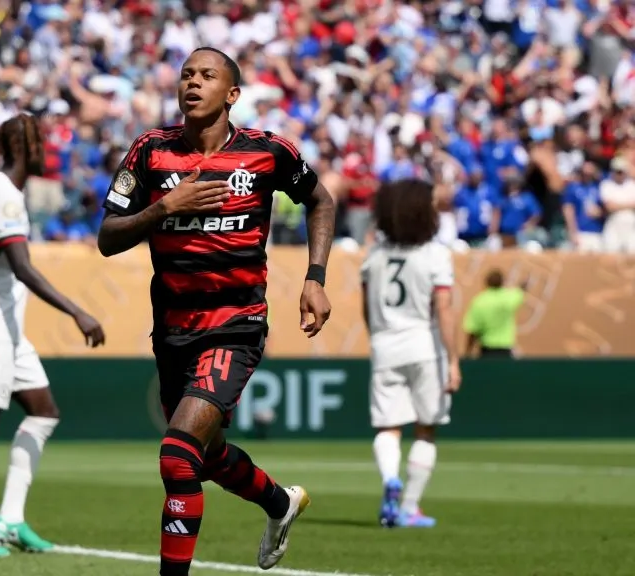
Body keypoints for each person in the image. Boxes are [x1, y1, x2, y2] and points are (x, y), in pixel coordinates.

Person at [97, 47, 336, 574]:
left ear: (231, 95)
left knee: (177, 455)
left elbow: (322, 200)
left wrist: (314, 279)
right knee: (204, 457)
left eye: (207, 75)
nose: (193, 82)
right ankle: (279, 502)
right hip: (173, 328)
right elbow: (107, 237)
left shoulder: (267, 153)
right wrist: (164, 208)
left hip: (236, 324)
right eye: (186, 74)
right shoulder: (149, 151)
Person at [0, 114, 106, 558]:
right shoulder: (4, 197)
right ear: (21, 148)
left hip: (6, 326)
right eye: (39, 144)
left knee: (43, 412)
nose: (45, 152)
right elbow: (22, 266)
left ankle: (9, 520)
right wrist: (78, 312)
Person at [360, 179, 462, 530]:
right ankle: (409, 508)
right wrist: (454, 360)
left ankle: (390, 478)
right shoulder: (436, 254)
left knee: (389, 427)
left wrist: (378, 338)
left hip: (385, 345)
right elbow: (444, 309)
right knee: (425, 429)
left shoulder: (374, 254)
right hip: (424, 347)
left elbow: (366, 308)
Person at [463, 269, 526, 358]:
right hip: (505, 349)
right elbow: (519, 293)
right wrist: (523, 286)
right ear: (502, 282)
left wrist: (468, 352)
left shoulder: (479, 301)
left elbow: (473, 330)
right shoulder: (508, 298)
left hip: (487, 350)